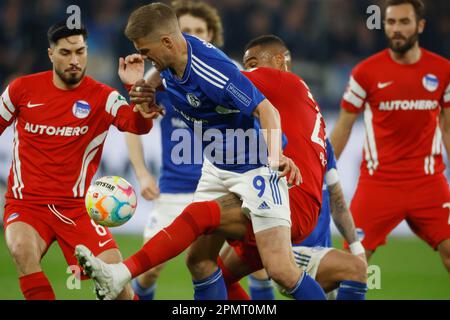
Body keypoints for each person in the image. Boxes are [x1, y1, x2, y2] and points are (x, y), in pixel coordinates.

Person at [75, 2, 327, 301]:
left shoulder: (214, 72)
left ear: (167, 42)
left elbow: (266, 109)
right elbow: (156, 81)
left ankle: (120, 273)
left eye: (146, 50)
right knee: (198, 262)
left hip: (252, 169)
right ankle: (121, 274)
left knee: (281, 271)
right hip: (217, 167)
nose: (145, 57)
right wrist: (144, 87)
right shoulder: (171, 60)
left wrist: (275, 156)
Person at [0, 21, 153, 300]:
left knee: (118, 286)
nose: (74, 60)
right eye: (65, 53)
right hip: (27, 205)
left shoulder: (104, 97)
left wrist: (136, 89)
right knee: (22, 250)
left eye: (80, 52)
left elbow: (138, 126)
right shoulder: (21, 89)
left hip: (77, 208)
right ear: (51, 54)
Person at [217, 35, 367, 301]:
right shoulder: (266, 132)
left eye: (253, 63)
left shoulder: (317, 137)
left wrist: (356, 245)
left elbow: (338, 201)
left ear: (280, 61)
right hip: (288, 242)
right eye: (245, 65)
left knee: (213, 273)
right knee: (356, 270)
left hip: (315, 249)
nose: (248, 71)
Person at [330, 0, 450, 273]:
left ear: (420, 25)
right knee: (351, 266)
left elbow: (447, 129)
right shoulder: (365, 73)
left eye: (404, 22)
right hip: (379, 184)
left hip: (428, 183)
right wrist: (323, 171)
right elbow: (344, 126)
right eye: (391, 22)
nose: (396, 29)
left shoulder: (442, 71)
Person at [125, 0, 229, 300]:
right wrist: (143, 174)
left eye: (200, 30)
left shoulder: (228, 74)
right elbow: (132, 123)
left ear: (211, 34)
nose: (193, 36)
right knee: (150, 268)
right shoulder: (162, 79)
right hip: (175, 188)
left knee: (252, 265)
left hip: (222, 187)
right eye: (186, 31)